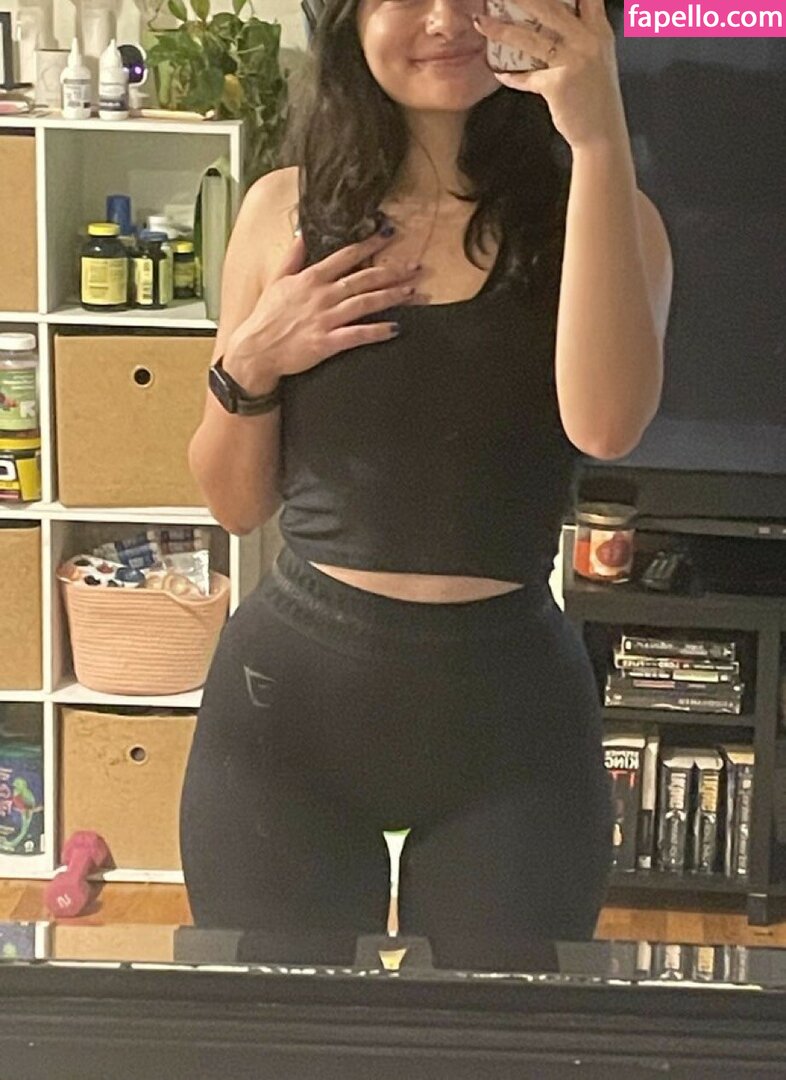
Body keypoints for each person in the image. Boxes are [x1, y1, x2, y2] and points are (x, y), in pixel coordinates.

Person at [180, 0, 672, 968]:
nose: (446, 19)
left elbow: (607, 424)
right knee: (277, 1038)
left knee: (494, 1040)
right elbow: (235, 504)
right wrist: (250, 361)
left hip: (511, 730)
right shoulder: (282, 211)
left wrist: (599, 136)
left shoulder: (606, 213)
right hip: (287, 717)